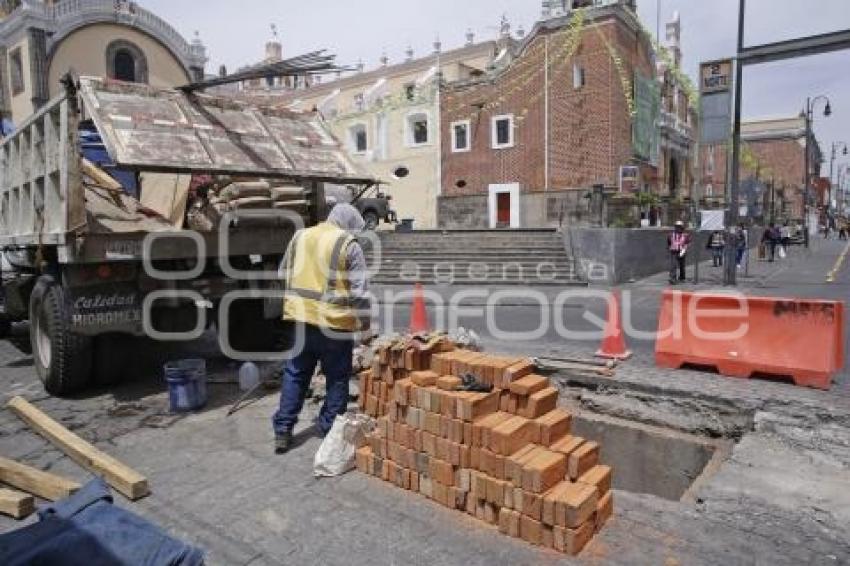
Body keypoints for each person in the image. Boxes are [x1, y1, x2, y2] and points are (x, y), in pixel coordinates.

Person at [272, 203, 371, 454]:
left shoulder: (300, 236)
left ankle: (283, 430)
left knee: (296, 373)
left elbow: (283, 272)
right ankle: (329, 430)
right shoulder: (349, 245)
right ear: (348, 224)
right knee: (337, 378)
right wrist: (365, 323)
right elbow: (359, 292)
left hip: (302, 320)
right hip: (334, 325)